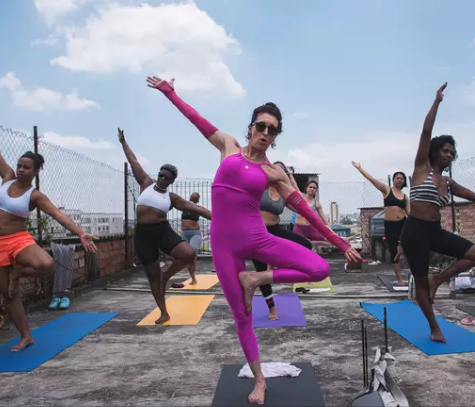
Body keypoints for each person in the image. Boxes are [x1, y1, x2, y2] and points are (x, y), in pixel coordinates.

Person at [148, 75, 360, 405]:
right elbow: (196, 120)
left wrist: (342, 243)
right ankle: (259, 380)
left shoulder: (273, 171)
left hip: (258, 238)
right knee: (241, 316)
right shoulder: (227, 146)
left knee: (319, 269)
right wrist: (170, 92)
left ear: (275, 137)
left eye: (272, 129)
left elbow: (306, 208)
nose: (264, 132)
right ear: (250, 127)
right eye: (261, 125)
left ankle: (257, 278)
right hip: (223, 246)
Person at [0, 107, 98, 352]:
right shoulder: (7, 177)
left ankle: (18, 275)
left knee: (46, 265)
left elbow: (58, 214)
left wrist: (80, 233)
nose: (20, 169)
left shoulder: (35, 195)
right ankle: (26, 336)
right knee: (9, 295)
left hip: (18, 239)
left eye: (26, 167)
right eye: (20, 165)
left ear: (34, 171)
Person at [399, 84, 475, 343]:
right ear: (436, 151)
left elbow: (471, 195)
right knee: (421, 282)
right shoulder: (421, 168)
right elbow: (426, 131)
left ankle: (440, 278)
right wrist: (436, 102)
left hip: (434, 232)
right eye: (445, 151)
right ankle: (434, 327)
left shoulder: (448, 182)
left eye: (452, 153)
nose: (449, 155)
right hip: (415, 231)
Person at [118, 128, 211, 324]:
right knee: (152, 277)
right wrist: (123, 142)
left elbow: (198, 209)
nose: (163, 178)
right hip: (143, 235)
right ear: (158, 174)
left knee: (188, 253)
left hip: (161, 231)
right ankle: (163, 312)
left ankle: (166, 276)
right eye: (161, 174)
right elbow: (134, 160)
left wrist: (222, 218)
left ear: (172, 181)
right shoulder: (146, 183)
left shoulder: (171, 197)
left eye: (167, 177)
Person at [251, 161, 312, 320]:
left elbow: (301, 204)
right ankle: (272, 308)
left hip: (276, 230)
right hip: (257, 233)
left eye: (280, 170)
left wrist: (291, 179)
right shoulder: (259, 187)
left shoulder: (283, 193)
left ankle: (281, 269)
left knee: (306, 245)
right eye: (273, 168)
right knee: (261, 271)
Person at [352, 163, 409, 285]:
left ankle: (414, 275)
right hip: (390, 226)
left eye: (401, 178)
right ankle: (399, 279)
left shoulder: (405, 196)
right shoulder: (387, 190)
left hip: (403, 225)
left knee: (409, 249)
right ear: (393, 180)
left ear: (404, 181)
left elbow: (410, 213)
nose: (399, 180)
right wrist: (359, 168)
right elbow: (371, 179)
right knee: (394, 253)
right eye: (397, 178)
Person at [180, 192, 205, 285]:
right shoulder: (184, 206)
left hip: (195, 234)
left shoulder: (198, 209)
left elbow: (208, 213)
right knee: (186, 255)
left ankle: (193, 276)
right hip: (184, 233)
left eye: (196, 197)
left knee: (192, 252)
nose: (194, 197)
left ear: (197, 200)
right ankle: (193, 277)